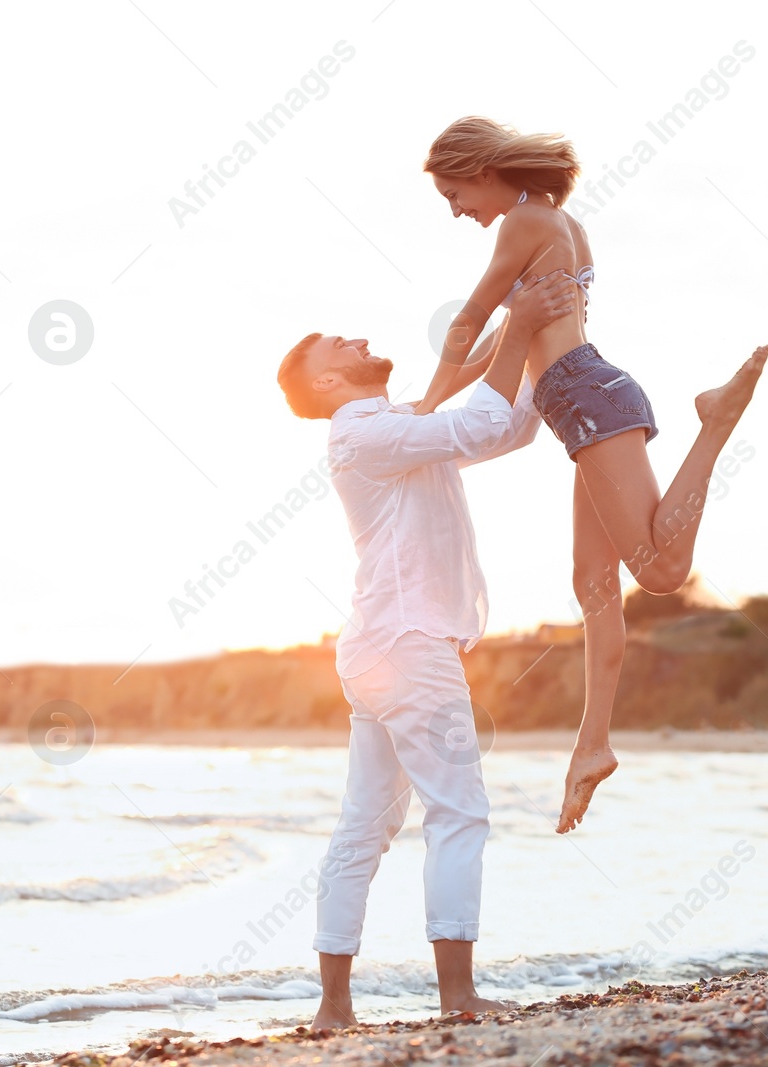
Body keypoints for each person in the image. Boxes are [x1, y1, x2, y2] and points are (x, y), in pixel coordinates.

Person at [414, 116, 768, 834]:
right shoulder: (558, 223)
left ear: (483, 171)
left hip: (584, 397)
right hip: (586, 396)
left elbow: (470, 322)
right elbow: (501, 339)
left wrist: (423, 405)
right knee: (594, 587)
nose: (457, 211)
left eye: (455, 194)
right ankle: (593, 743)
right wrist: (432, 405)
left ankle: (716, 422)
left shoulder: (518, 224)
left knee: (661, 570)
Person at [276, 270, 580, 1030]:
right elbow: (474, 423)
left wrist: (535, 338)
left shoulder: (394, 430)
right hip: (408, 644)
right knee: (458, 810)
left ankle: (335, 1008)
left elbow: (504, 427)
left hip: (384, 645)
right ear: (328, 378)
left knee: (365, 826)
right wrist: (516, 327)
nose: (356, 338)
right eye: (338, 342)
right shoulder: (364, 431)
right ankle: (457, 997)